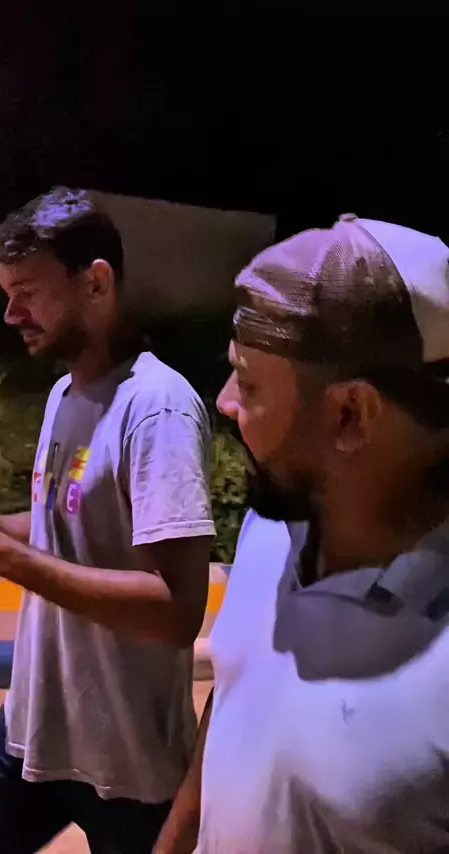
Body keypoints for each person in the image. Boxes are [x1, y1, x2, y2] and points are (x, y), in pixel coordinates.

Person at [153, 214, 449, 854]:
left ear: (350, 415)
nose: (224, 402)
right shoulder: (274, 525)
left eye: (249, 383)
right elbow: (237, 699)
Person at [0, 187, 215, 854]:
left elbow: (177, 611)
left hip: (126, 764)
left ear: (96, 284)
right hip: (31, 731)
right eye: (6, 294)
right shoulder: (65, 391)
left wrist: (5, 559)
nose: (10, 313)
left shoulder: (156, 408)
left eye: (27, 292)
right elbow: (60, 522)